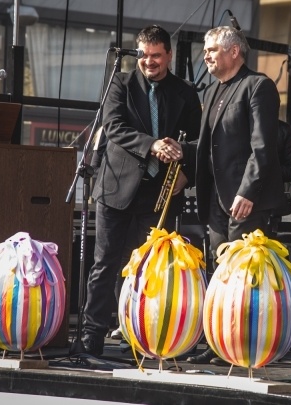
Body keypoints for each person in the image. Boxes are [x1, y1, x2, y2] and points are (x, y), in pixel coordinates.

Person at [81, 25, 202, 355]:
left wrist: (186, 176)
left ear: (169, 55)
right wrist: (154, 146)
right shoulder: (119, 83)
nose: (149, 62)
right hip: (116, 188)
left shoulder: (186, 92)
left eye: (156, 56)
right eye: (144, 56)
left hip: (159, 193)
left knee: (150, 270)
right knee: (104, 264)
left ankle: (141, 336)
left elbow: (197, 141)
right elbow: (115, 127)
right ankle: (92, 336)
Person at [185, 25, 285, 364]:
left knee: (245, 277)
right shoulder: (213, 91)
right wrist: (179, 149)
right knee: (220, 273)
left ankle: (240, 345)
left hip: (247, 201)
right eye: (206, 49)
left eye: (212, 49)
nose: (206, 55)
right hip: (216, 198)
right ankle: (218, 343)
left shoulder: (258, 86)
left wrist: (248, 192)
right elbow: (210, 146)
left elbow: (263, 148)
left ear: (234, 52)